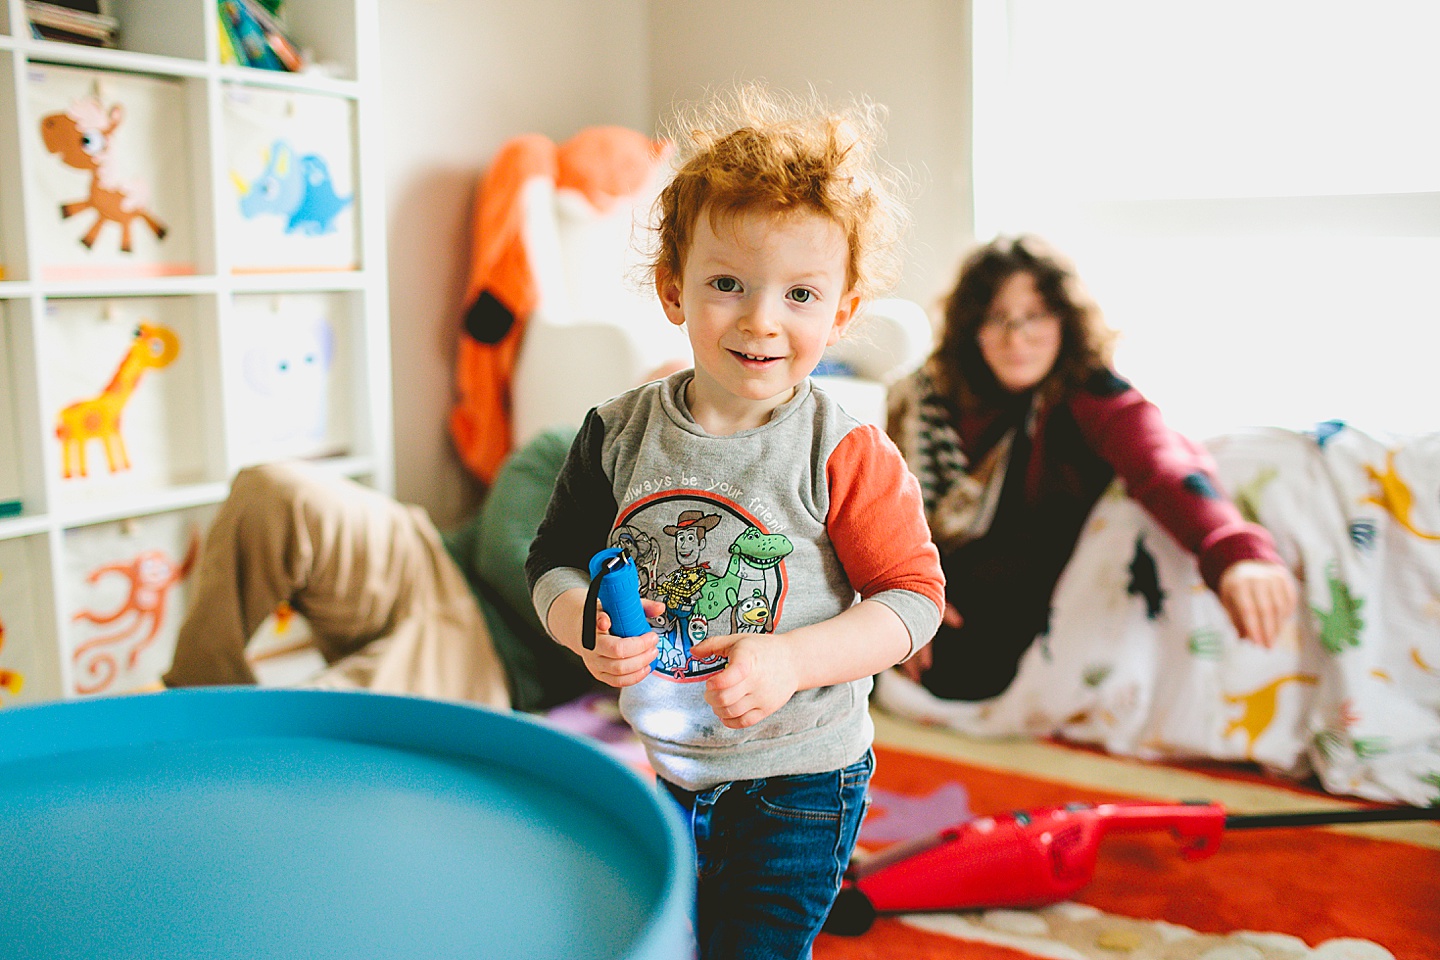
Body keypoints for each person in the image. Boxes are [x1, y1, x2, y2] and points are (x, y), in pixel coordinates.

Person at [524, 86, 945, 960]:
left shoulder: (845, 448)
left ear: (842, 312)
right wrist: (584, 628)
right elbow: (553, 563)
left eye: (800, 294)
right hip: (666, 767)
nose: (761, 319)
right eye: (728, 284)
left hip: (800, 779)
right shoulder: (616, 431)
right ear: (674, 291)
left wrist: (794, 658)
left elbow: (911, 600)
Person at [877, 234, 1297, 711]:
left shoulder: (1089, 391)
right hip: (934, 586)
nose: (1017, 338)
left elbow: (1163, 463)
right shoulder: (927, 397)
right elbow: (880, 509)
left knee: (960, 668)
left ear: (1064, 321)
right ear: (973, 328)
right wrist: (908, 593)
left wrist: (1234, 550)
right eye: (997, 319)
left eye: (1034, 316)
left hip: (1005, 616)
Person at [162, 425, 599, 714]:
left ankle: (220, 751)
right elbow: (504, 556)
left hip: (489, 654)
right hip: (425, 557)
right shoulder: (567, 447)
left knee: (309, 731)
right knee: (271, 493)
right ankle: (196, 701)